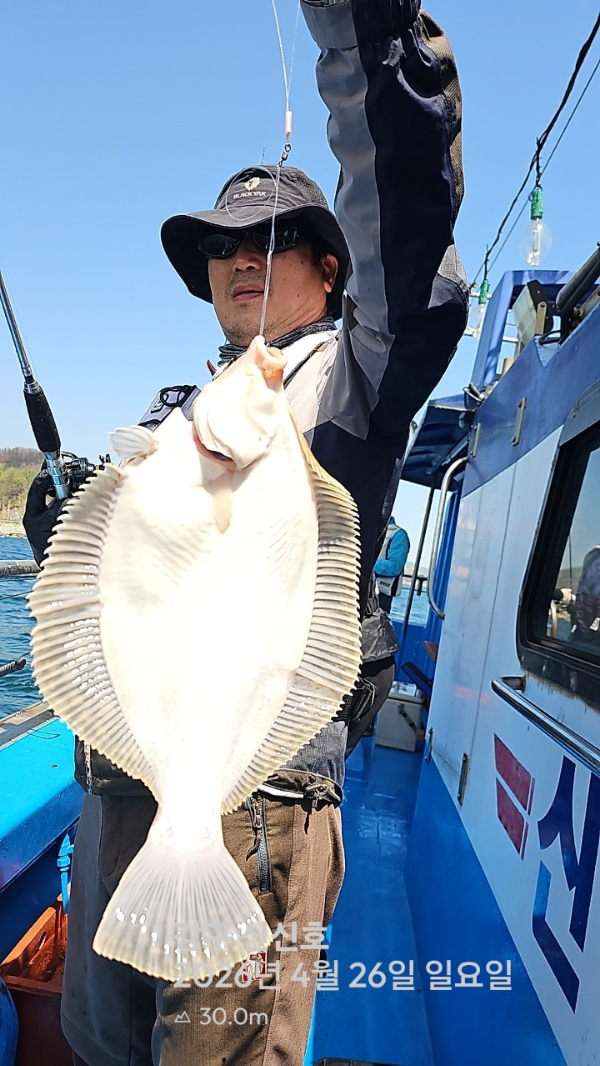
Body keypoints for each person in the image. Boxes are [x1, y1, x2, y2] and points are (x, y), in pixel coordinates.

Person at [23, 2, 467, 1063]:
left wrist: (362, 36)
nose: (241, 258)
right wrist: (70, 528)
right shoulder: (185, 415)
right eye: (221, 248)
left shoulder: (345, 390)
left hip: (256, 810)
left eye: (283, 240)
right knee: (100, 1047)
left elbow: (406, 239)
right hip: (125, 797)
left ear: (335, 269)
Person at [374, 516, 411, 613]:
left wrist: (367, 563)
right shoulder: (367, 530)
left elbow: (395, 567)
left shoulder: (398, 534)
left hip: (380, 596)